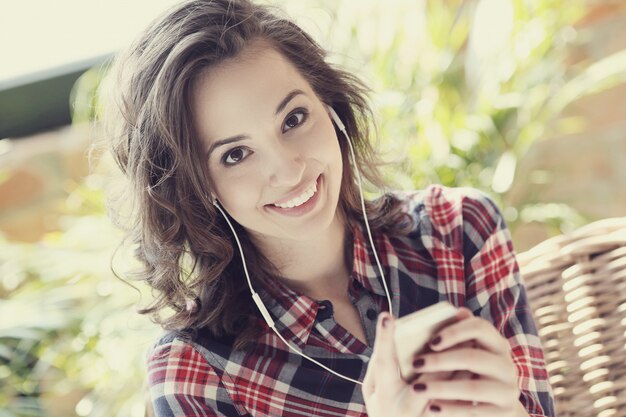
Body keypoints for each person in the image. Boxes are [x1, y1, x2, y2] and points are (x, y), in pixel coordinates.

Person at [101, 0, 555, 416]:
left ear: (331, 106)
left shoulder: (458, 232)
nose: (288, 169)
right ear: (196, 188)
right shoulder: (197, 374)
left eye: (293, 119)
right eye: (235, 155)